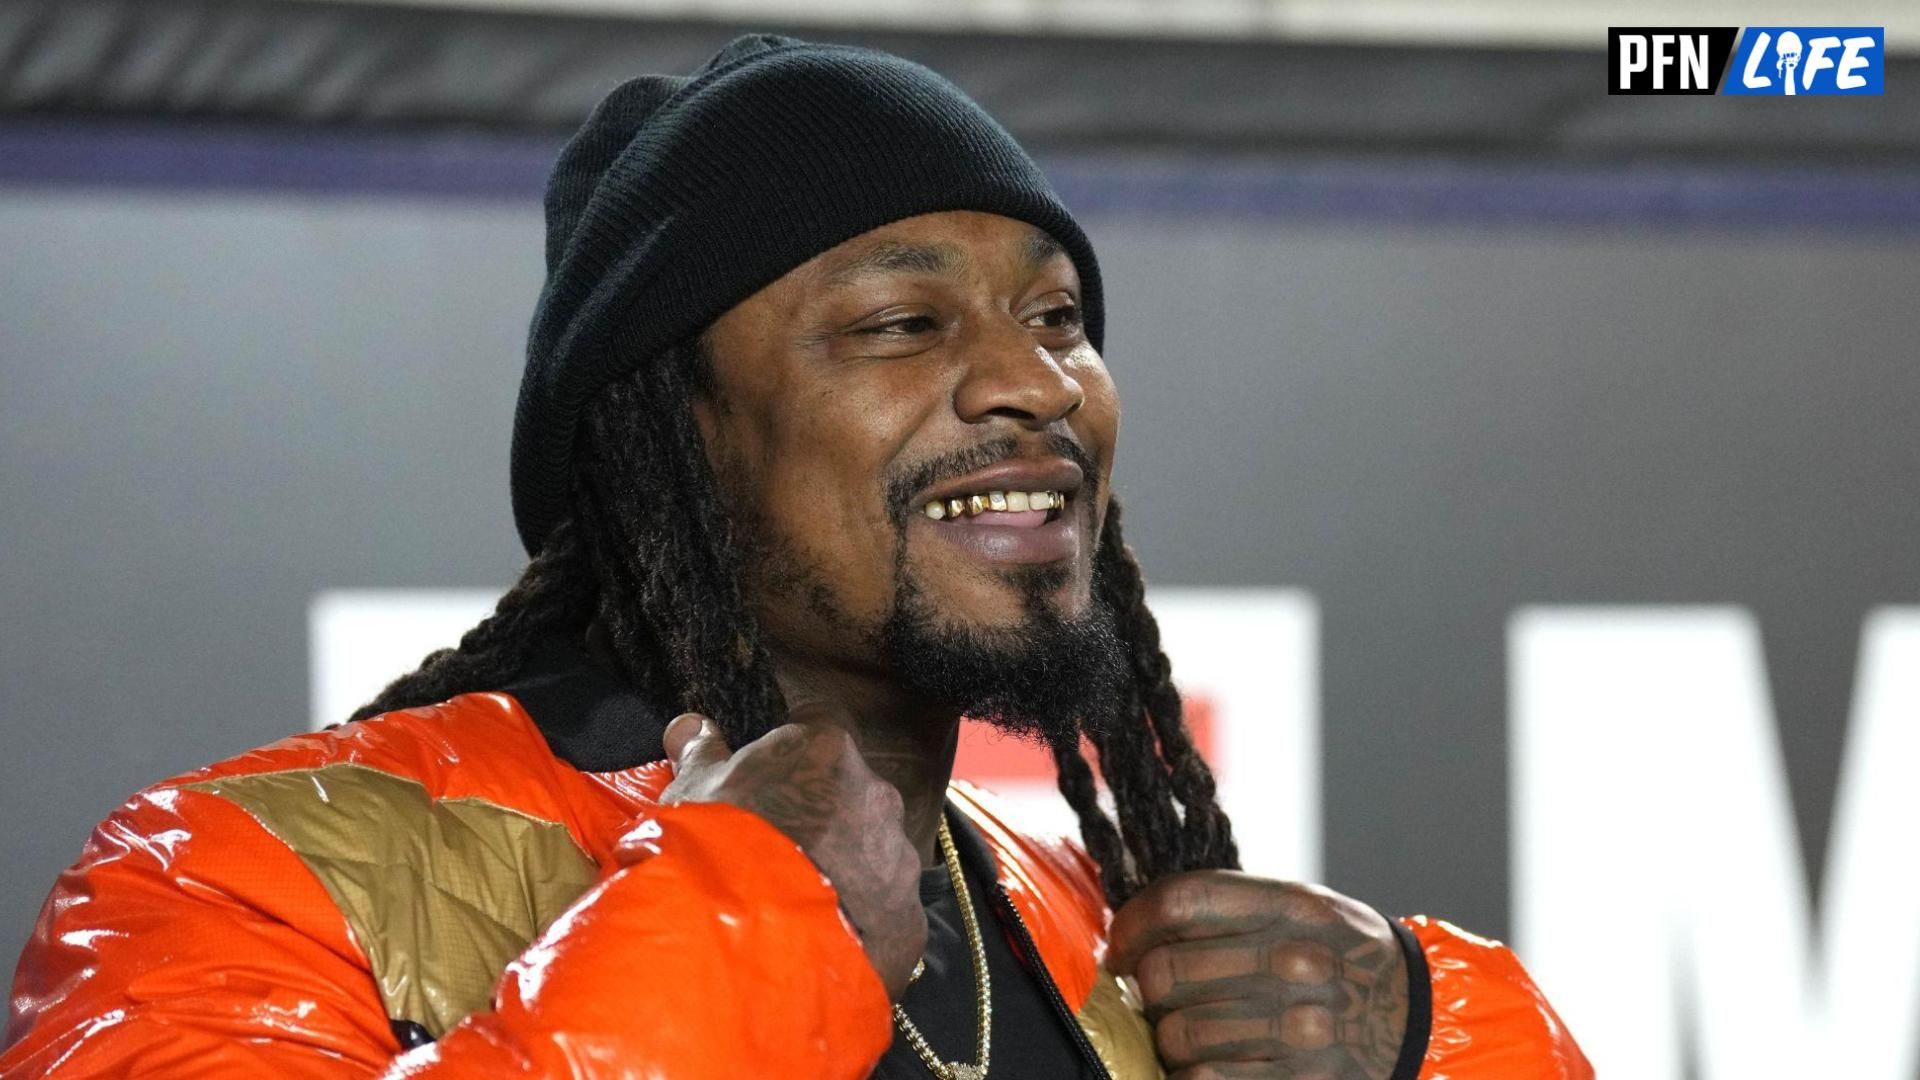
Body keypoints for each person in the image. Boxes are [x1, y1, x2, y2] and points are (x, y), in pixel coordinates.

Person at [1, 35, 1590, 1080]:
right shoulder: (243, 878)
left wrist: (1445, 1052)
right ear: (669, 439)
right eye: (903, 326)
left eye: (1059, 321)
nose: (1036, 384)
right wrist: (742, 910)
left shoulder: (1107, 941)